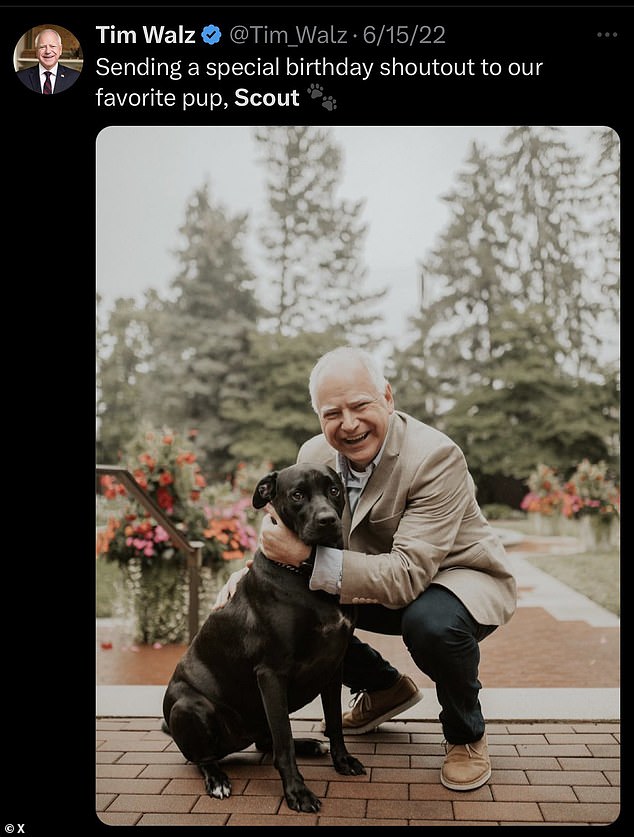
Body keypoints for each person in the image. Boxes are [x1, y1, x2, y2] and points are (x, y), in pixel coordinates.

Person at [216, 346, 517, 791]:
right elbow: (294, 537)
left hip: (453, 578)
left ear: (388, 398)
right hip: (368, 573)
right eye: (332, 412)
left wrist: (303, 560)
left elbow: (406, 576)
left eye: (360, 405)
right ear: (318, 416)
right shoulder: (315, 452)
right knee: (289, 609)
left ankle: (465, 734)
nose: (349, 424)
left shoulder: (435, 457)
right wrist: (249, 577)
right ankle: (383, 687)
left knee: (431, 624)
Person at [16, 28, 81, 94]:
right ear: (36, 51)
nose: (48, 51)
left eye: (52, 46)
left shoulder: (75, 77)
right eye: (42, 47)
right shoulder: (21, 77)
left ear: (60, 49)